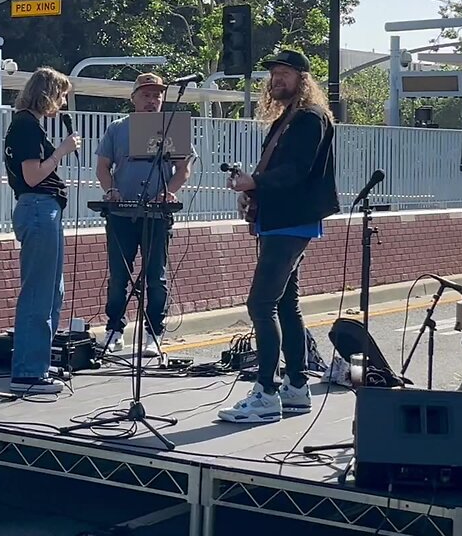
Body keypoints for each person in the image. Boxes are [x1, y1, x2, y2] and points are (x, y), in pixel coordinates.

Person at [218, 48, 338, 424]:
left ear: (304, 79)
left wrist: (256, 182)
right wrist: (252, 191)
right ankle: (297, 387)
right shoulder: (289, 118)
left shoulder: (310, 118)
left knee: (260, 304)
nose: (277, 79)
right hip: (282, 218)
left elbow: (296, 171)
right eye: (274, 74)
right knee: (286, 303)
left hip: (292, 221)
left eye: (285, 73)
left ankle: (266, 393)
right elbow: (278, 170)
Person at [95, 73, 197, 357]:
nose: (152, 101)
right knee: (118, 275)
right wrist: (111, 189)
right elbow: (103, 167)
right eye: (146, 95)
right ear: (134, 98)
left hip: (157, 214)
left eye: (157, 96)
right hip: (122, 212)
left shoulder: (170, 127)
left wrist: (168, 192)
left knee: (156, 276)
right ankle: (114, 328)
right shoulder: (117, 128)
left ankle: (154, 332)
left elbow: (183, 170)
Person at [3, 67, 81, 394]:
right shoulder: (26, 126)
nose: (62, 104)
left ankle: (37, 361)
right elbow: (33, 176)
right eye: (61, 96)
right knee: (39, 291)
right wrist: (61, 151)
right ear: (48, 93)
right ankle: (28, 373)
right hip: (38, 207)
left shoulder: (28, 125)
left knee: (52, 291)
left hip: (42, 208)